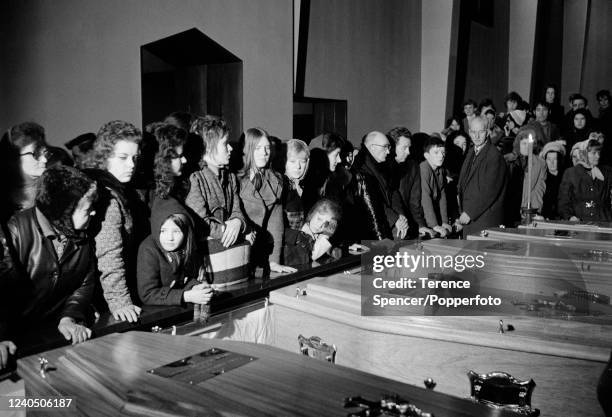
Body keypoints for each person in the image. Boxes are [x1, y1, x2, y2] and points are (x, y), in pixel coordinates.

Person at [1, 165, 97, 348]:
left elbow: (85, 283)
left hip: (50, 334)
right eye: (87, 209)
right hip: (12, 338)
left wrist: (68, 317)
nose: (93, 213)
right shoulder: (15, 231)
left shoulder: (82, 234)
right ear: (63, 211)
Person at [84, 120, 145, 323]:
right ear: (104, 157)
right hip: (101, 299)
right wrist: (119, 301)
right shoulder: (107, 197)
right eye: (123, 158)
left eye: (135, 158)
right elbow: (109, 254)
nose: (132, 165)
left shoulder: (116, 189)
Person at [137, 197, 213, 306]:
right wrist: (186, 296)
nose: (170, 238)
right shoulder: (148, 250)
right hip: (155, 311)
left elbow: (186, 278)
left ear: (186, 232)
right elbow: (147, 294)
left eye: (176, 231)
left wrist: (196, 286)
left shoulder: (185, 246)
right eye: (163, 231)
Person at [238, 128, 295, 273]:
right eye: (258, 148)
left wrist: (274, 262)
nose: (264, 153)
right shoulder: (235, 179)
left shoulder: (275, 180)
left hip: (262, 257)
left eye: (267, 148)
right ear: (247, 150)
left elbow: (276, 225)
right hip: (237, 255)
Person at [185, 115, 245, 246]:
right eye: (225, 144)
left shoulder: (230, 177)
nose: (231, 148)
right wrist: (232, 233)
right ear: (207, 147)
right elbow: (201, 224)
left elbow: (237, 210)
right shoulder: (195, 179)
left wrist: (237, 222)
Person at [352, 131, 408, 240]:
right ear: (372, 147)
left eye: (389, 147)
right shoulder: (360, 165)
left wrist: (401, 216)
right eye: (385, 147)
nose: (388, 151)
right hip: (370, 225)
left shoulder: (384, 164)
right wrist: (395, 219)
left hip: (388, 218)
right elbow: (373, 202)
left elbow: (393, 192)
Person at [457, 117, 507, 235]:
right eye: (473, 132)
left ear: (488, 132)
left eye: (481, 132)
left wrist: (469, 212)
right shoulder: (471, 152)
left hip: (484, 220)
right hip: (469, 218)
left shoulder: (494, 156)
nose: (477, 136)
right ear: (469, 132)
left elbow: (489, 190)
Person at [387, 127, 432, 238]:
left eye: (409, 147)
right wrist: (397, 219)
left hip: (407, 223)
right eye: (404, 148)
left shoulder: (413, 166)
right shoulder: (382, 167)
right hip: (389, 223)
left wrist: (421, 225)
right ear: (392, 147)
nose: (408, 152)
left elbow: (414, 202)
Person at [0, 122, 48, 223]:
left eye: (45, 153)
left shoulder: (53, 193)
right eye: (36, 153)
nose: (44, 160)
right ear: (13, 158)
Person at [558, 139, 612, 222]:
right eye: (594, 153)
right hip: (580, 222)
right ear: (584, 154)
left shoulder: (607, 173)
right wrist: (570, 217)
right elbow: (563, 202)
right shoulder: (571, 173)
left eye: (598, 153)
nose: (598, 156)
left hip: (603, 221)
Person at [504, 125, 547, 225]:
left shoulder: (540, 163)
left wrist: (534, 212)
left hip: (527, 211)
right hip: (508, 209)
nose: (527, 147)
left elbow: (539, 189)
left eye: (529, 144)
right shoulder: (507, 160)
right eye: (524, 143)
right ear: (518, 144)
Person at [283, 199, 342, 267]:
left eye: (326, 224)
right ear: (312, 213)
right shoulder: (302, 232)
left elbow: (320, 246)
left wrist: (333, 250)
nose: (320, 225)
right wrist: (326, 235)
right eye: (319, 219)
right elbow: (312, 255)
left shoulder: (316, 234)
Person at [420, 137, 452, 237]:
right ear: (426, 155)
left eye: (443, 152)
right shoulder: (424, 168)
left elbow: (442, 197)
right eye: (436, 152)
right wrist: (434, 225)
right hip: (421, 215)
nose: (441, 156)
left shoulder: (441, 170)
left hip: (431, 214)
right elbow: (425, 197)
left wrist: (445, 221)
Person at [282, 139, 310, 230]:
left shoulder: (307, 186)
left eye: (302, 161)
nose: (298, 166)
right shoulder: (280, 186)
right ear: (284, 161)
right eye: (292, 161)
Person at [539, 141, 566, 220]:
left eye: (555, 159)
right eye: (549, 159)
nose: (552, 162)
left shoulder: (566, 177)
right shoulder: (542, 178)